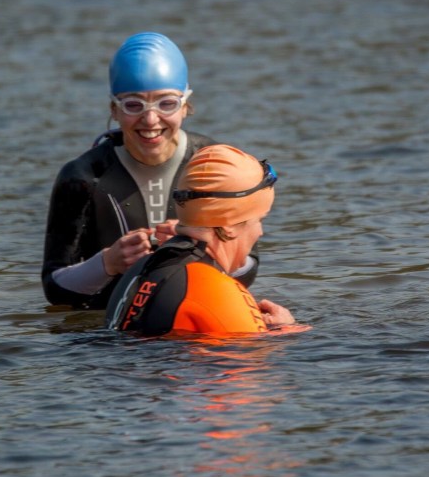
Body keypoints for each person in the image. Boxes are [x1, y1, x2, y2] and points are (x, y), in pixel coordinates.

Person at [42, 33, 259, 310]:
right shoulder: (83, 177)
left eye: (166, 103)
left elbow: (250, 267)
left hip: (195, 323)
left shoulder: (214, 166)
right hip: (111, 337)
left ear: (185, 106)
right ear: (114, 110)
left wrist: (206, 250)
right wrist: (108, 264)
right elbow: (54, 288)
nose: (151, 119)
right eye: (134, 105)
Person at [105, 144, 311, 336]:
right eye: (259, 220)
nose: (261, 232)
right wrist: (286, 329)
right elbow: (248, 365)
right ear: (229, 225)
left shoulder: (148, 265)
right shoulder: (216, 291)